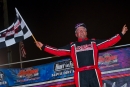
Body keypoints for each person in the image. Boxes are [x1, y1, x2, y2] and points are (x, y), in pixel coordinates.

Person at [35, 23, 128, 87]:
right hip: (80, 74)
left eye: (83, 30)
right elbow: (57, 51)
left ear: (86, 32)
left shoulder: (93, 42)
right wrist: (43, 46)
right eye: (79, 31)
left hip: (94, 72)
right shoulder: (72, 46)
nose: (81, 32)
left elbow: (109, 42)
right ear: (76, 34)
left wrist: (121, 34)